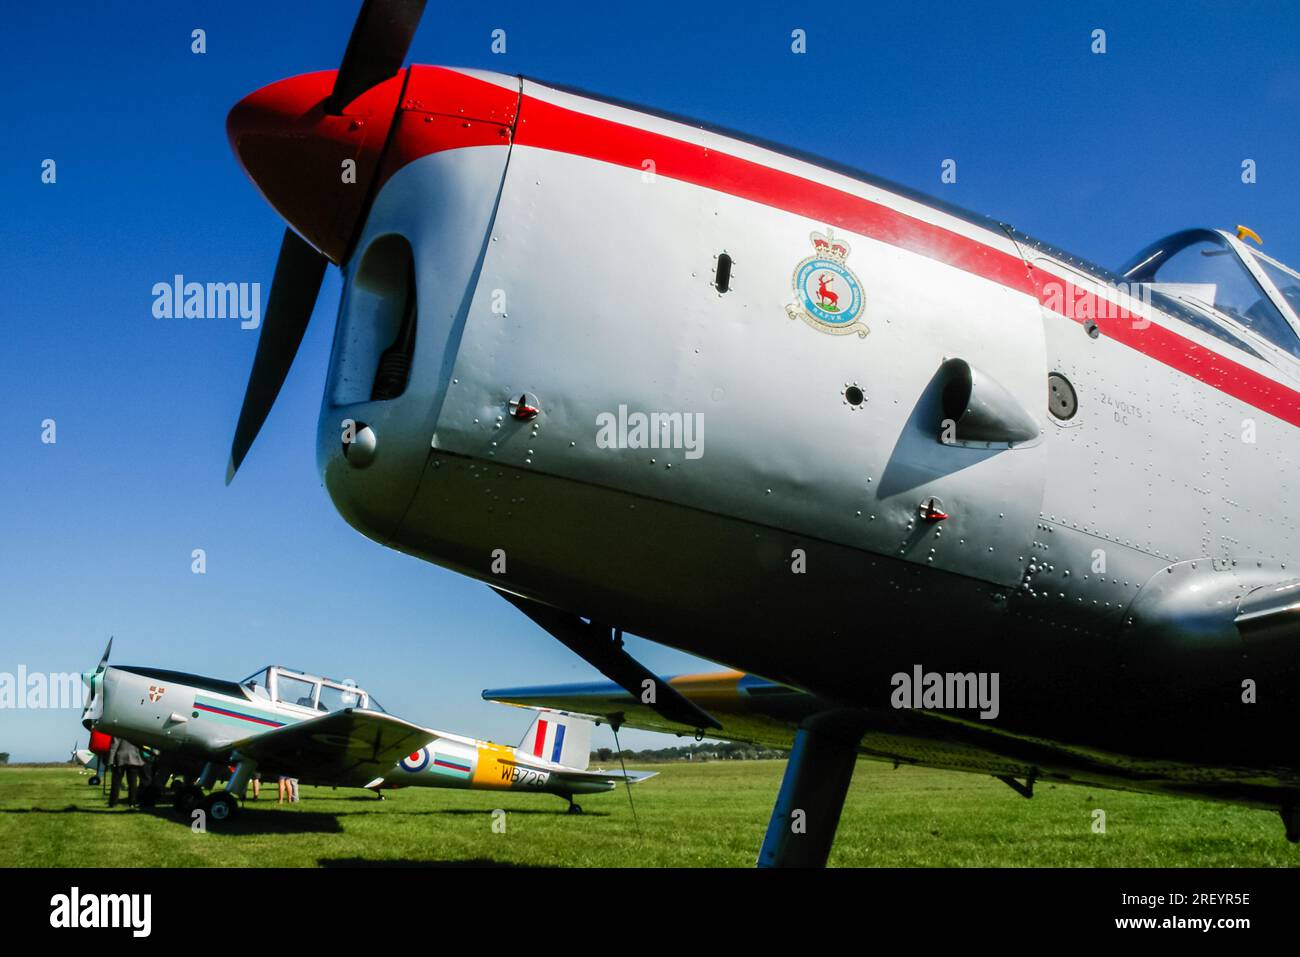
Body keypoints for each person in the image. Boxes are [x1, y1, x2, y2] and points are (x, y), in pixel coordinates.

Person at [107, 737, 144, 808]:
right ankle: (132, 802)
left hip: (120, 758)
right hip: (134, 758)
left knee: (116, 782)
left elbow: (114, 745)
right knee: (133, 783)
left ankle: (113, 802)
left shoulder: (119, 730)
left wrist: (110, 761)